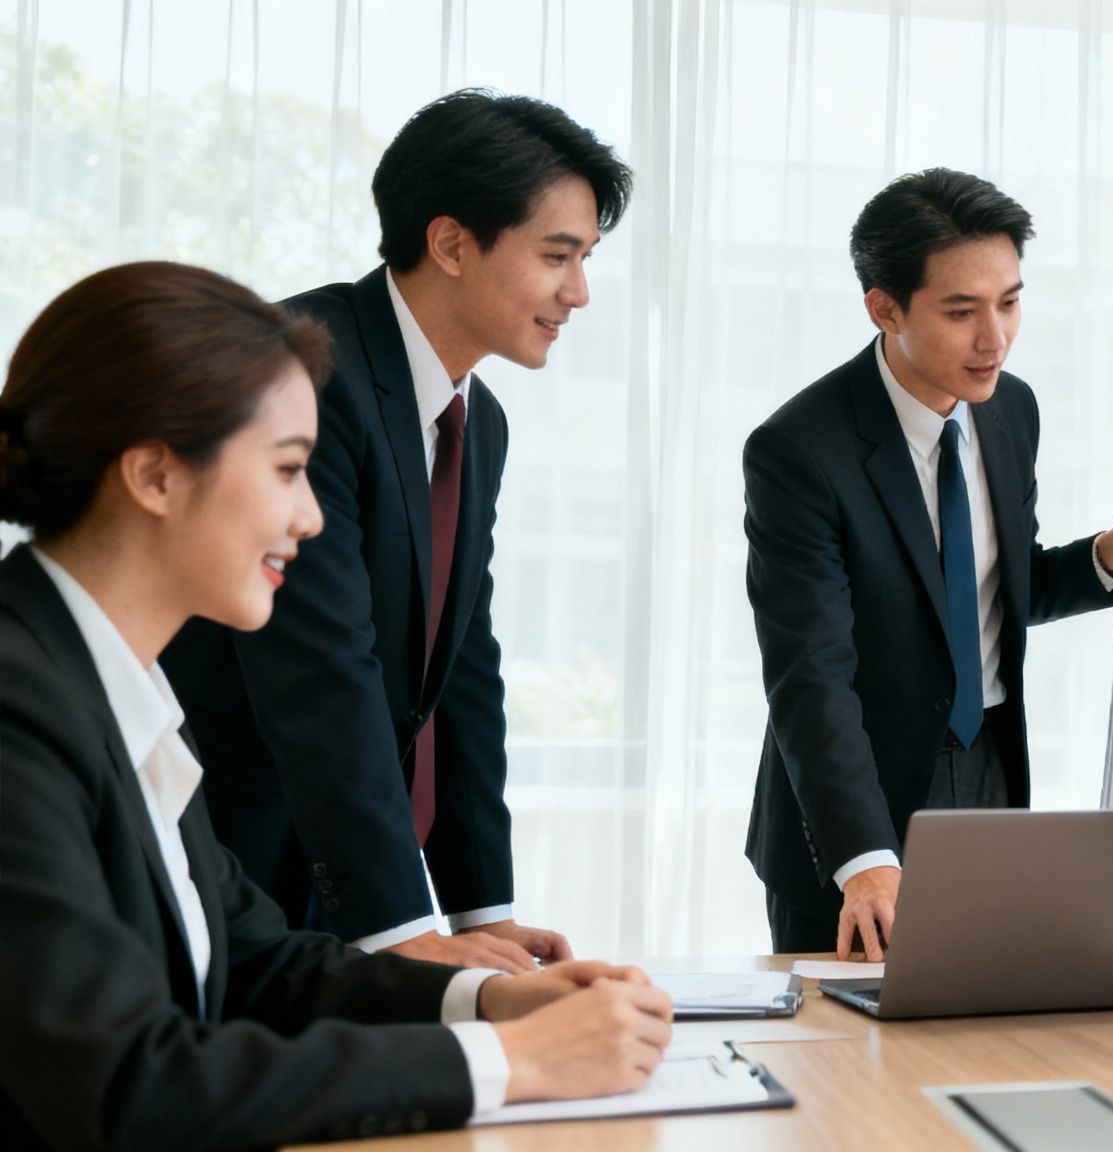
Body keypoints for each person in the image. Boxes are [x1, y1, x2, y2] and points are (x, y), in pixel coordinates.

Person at [0, 262, 672, 1151]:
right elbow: (127, 1082)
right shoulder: (20, 708)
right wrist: (514, 1063)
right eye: (288, 471)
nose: (314, 518)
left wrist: (488, 998)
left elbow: (260, 966)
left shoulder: (117, 688)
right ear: (156, 476)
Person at [161, 91, 633, 972]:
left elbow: (460, 672)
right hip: (244, 855)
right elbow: (319, 668)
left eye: (587, 259)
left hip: (354, 865)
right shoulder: (306, 373)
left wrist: (478, 909)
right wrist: (401, 932)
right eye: (557, 256)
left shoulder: (477, 420)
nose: (580, 292)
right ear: (451, 242)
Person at [743, 168, 1113, 958]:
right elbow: (810, 674)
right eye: (962, 311)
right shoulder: (799, 451)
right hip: (858, 799)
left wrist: (1105, 557)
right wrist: (866, 861)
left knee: (982, 1023)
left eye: (1010, 302)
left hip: (987, 768)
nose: (995, 338)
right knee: (848, 1058)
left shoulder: (1009, 410)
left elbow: (987, 591)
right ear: (884, 307)